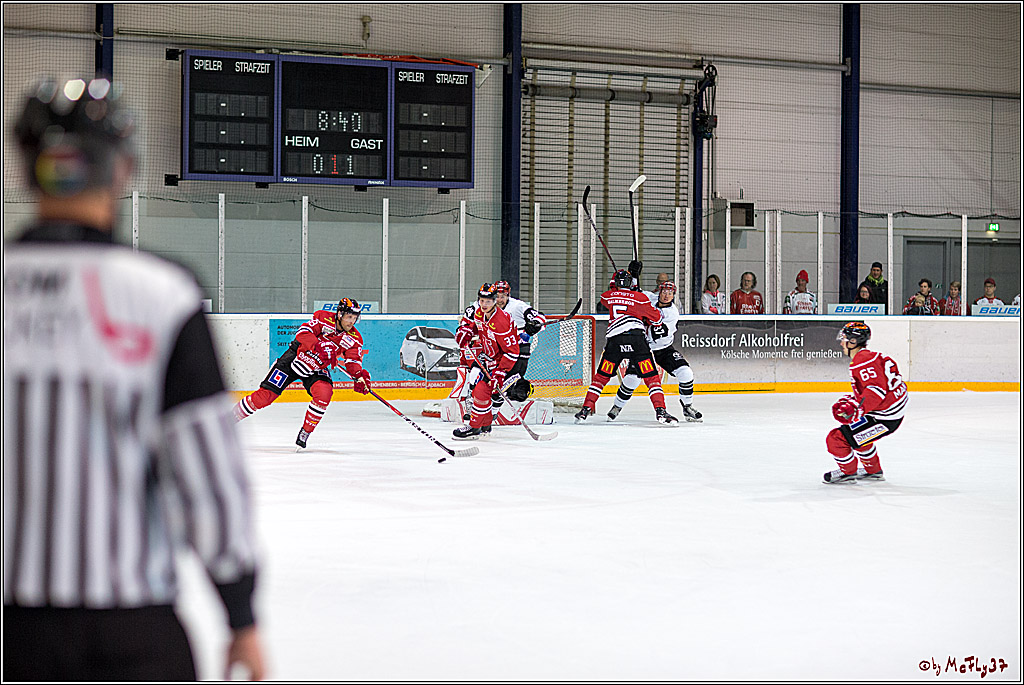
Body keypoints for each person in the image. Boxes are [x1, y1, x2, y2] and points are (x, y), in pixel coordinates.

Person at [4, 78, 264, 680]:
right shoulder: (162, 294)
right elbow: (210, 476)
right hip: (131, 629)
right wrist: (240, 615)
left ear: (26, 171)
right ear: (123, 170)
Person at [233, 297, 371, 448]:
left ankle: (306, 432)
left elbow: (353, 361)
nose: (352, 321)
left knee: (324, 393)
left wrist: (359, 376)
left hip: (317, 367)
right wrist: (317, 346)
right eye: (349, 317)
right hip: (295, 358)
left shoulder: (354, 339)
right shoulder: (324, 319)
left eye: (355, 318)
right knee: (265, 397)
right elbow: (303, 332)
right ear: (339, 314)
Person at [575, 269, 678, 425]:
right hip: (636, 340)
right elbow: (656, 318)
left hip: (614, 342)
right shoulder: (641, 298)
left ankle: (586, 409)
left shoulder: (608, 296)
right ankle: (661, 411)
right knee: (651, 378)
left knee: (601, 378)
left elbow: (606, 299)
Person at [823, 322, 908, 484]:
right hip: (888, 413)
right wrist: (856, 401)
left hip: (884, 418)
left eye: (845, 339)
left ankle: (847, 473)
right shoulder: (871, 356)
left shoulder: (862, 361)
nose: (841, 343)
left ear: (853, 342)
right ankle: (873, 471)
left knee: (836, 439)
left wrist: (858, 408)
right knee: (858, 437)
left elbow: (876, 391)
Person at [607, 280, 703, 422]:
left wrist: (645, 314)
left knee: (686, 373)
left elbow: (658, 332)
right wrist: (633, 277)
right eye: (664, 292)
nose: (666, 296)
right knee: (631, 379)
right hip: (643, 349)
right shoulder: (649, 297)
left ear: (673, 296)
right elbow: (632, 291)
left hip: (663, 349)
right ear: (659, 291)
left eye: (670, 293)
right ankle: (617, 406)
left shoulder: (672, 313)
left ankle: (687, 407)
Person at [452, 283, 523, 439]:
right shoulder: (479, 313)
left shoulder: (501, 322)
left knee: (482, 390)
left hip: (507, 362)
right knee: (481, 390)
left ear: (494, 301)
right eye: (481, 301)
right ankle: (485, 424)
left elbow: (512, 352)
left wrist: (500, 372)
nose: (484, 305)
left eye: (488, 301)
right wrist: (468, 331)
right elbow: (477, 326)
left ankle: (474, 428)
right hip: (491, 359)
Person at [491, 280, 546, 412]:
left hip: (520, 349)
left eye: (502, 296)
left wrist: (532, 326)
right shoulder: (489, 307)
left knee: (513, 381)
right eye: (497, 296)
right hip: (500, 350)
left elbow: (541, 317)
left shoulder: (518, 306)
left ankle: (517, 398)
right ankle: (494, 406)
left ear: (508, 295)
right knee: (497, 380)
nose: (499, 300)